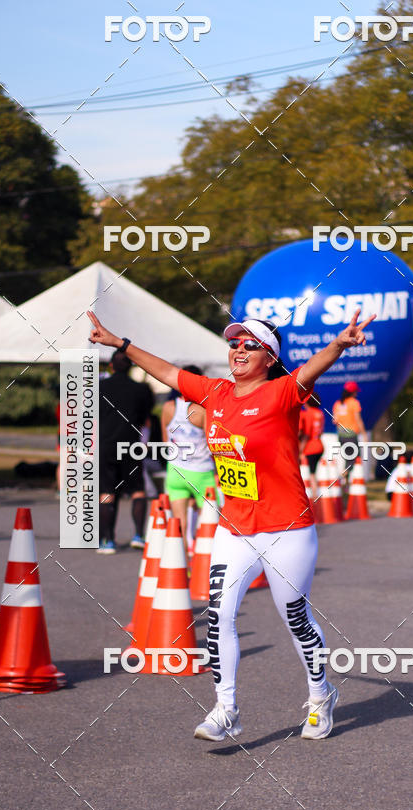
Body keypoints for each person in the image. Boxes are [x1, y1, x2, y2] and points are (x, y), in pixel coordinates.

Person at [87, 308, 375, 741]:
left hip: (287, 528)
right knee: (218, 614)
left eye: (250, 345)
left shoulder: (281, 393)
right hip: (235, 528)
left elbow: (312, 368)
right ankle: (226, 709)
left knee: (294, 616)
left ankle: (321, 695)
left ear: (269, 358)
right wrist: (120, 344)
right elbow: (166, 370)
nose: (238, 350)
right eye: (235, 344)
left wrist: (338, 344)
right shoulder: (215, 392)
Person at [97, 350, 154, 554]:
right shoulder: (141, 389)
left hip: (106, 445)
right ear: (132, 367)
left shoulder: (99, 387)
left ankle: (107, 540)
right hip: (132, 445)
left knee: (106, 492)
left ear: (111, 366)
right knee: (138, 490)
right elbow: (146, 420)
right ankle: (138, 535)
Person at [161, 365, 217, 555]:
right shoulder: (204, 410)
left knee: (180, 525)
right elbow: (213, 444)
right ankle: (205, 568)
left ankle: (183, 568)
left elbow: (164, 441)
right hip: (202, 473)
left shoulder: (168, 408)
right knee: (209, 525)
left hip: (175, 470)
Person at [332, 381, 368, 475]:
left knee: (348, 458)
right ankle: (344, 476)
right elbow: (358, 420)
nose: (356, 393)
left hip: (341, 435)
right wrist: (364, 435)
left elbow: (335, 420)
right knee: (355, 458)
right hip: (351, 435)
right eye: (356, 391)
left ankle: (346, 483)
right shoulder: (354, 403)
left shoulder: (338, 404)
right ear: (353, 392)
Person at [299, 393, 325, 501]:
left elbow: (306, 434)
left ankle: (314, 496)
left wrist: (300, 450)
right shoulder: (320, 413)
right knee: (313, 472)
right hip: (319, 444)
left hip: (310, 448)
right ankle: (316, 494)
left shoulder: (307, 414)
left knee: (310, 474)